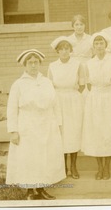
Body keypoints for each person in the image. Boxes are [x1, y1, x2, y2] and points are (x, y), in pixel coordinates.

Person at [6, 49, 65, 200]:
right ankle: (30, 191)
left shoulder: (46, 82)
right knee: (29, 158)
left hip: (47, 124)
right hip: (27, 126)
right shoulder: (18, 84)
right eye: (30, 63)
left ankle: (42, 188)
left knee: (44, 157)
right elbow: (12, 108)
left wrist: (58, 124)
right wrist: (13, 130)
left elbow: (55, 104)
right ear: (25, 65)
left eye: (36, 62)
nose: (33, 65)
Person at [81, 32, 111, 180]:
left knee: (108, 132)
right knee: (97, 133)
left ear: (106, 45)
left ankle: (107, 168)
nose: (99, 46)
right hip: (95, 100)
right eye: (96, 43)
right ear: (93, 46)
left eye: (101, 43)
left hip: (109, 97)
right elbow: (87, 85)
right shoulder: (88, 64)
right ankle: (99, 168)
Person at [48, 36, 85, 180]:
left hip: (73, 100)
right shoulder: (52, 66)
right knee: (61, 133)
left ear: (70, 50)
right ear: (57, 51)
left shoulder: (77, 64)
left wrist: (72, 96)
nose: (64, 51)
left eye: (67, 48)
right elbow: (50, 87)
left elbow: (82, 84)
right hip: (58, 101)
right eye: (61, 49)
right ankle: (63, 167)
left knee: (73, 132)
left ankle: (74, 166)